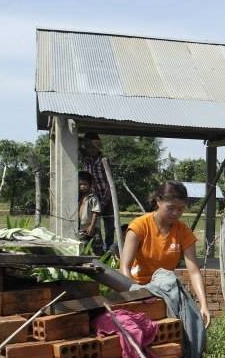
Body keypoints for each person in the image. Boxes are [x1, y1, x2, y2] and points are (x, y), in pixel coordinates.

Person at [120, 181, 210, 326]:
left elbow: (194, 271)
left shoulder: (183, 231)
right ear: (158, 201)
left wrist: (204, 304)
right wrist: (136, 295)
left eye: (181, 209)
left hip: (166, 292)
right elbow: (124, 268)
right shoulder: (139, 226)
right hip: (138, 291)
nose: (175, 213)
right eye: (171, 208)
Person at [81, 132, 116, 249]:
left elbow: (109, 182)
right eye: (87, 146)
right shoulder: (86, 160)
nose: (89, 149)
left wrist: (105, 200)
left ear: (96, 147)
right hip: (93, 198)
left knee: (110, 227)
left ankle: (108, 249)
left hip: (107, 197)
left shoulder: (104, 160)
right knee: (95, 226)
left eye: (91, 146)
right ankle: (99, 248)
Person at [77, 171, 102, 254]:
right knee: (84, 247)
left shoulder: (93, 197)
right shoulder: (79, 197)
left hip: (93, 228)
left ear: (90, 185)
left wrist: (92, 226)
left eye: (85, 184)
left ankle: (100, 262)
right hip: (82, 228)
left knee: (97, 247)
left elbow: (96, 212)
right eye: (80, 184)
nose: (82, 187)